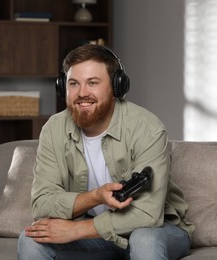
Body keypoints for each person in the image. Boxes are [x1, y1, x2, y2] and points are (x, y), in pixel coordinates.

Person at [17, 44, 195, 260]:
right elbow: (41, 204)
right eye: (74, 84)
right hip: (96, 234)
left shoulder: (147, 128)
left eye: (92, 83)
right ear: (63, 87)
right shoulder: (54, 129)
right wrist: (94, 197)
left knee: (144, 240)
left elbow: (148, 214)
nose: (82, 93)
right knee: (30, 241)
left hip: (157, 230)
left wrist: (76, 230)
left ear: (116, 87)